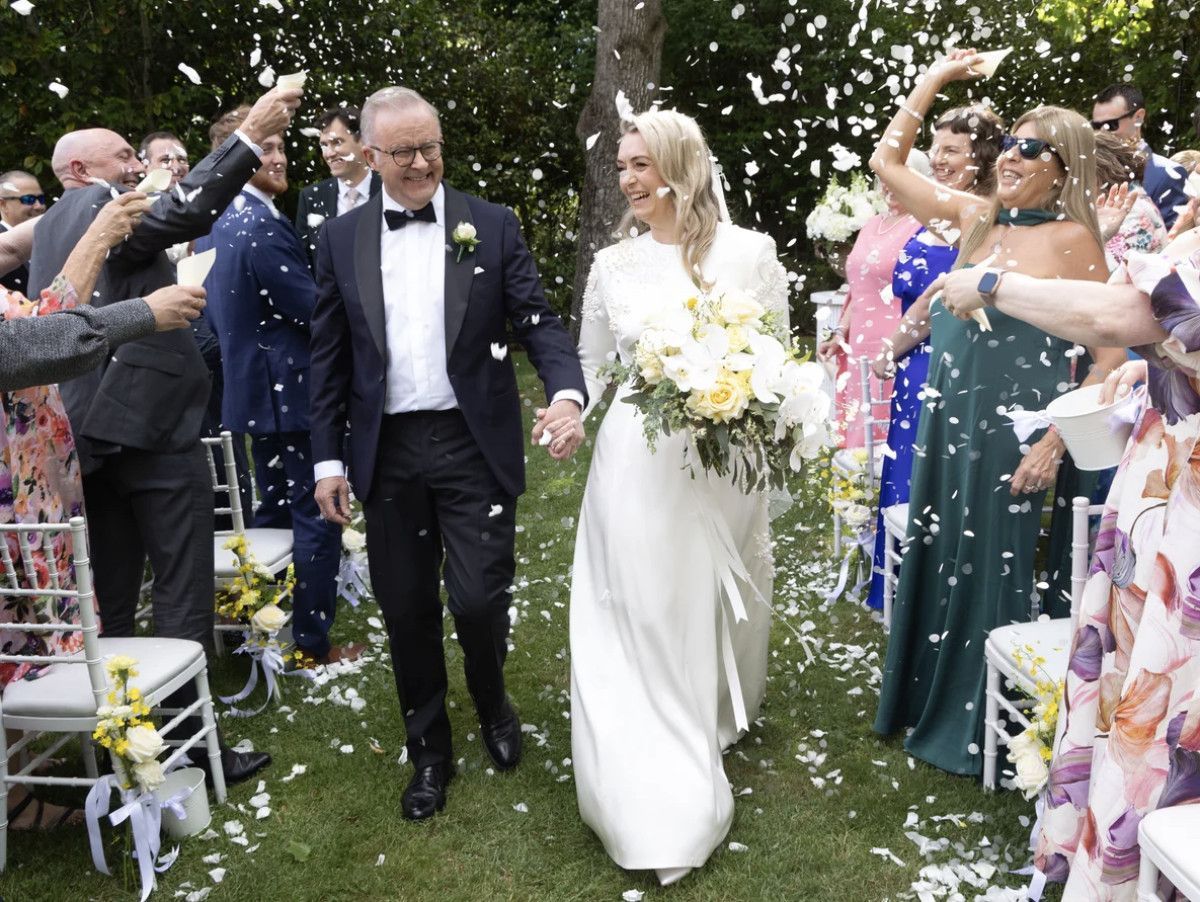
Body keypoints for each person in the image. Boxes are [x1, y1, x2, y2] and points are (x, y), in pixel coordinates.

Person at [309, 86, 586, 821]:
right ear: (370, 156)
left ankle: (492, 700)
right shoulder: (339, 240)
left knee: (478, 598)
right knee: (405, 608)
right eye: (404, 151)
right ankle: (430, 750)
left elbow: (539, 322)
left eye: (430, 146)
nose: (422, 162)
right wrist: (328, 461)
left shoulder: (489, 225)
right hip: (387, 450)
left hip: (472, 443)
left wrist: (566, 395)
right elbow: (327, 359)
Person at [26, 83, 301, 786]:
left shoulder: (50, 225)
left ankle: (123, 744)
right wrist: (252, 134)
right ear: (79, 170)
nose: (135, 165)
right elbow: (186, 209)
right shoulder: (95, 207)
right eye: (121, 155)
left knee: (114, 595)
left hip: (92, 430)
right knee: (182, 587)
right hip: (147, 427)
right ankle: (190, 745)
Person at [868, 49, 1127, 776]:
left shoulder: (1072, 241)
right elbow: (887, 164)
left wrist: (1053, 441)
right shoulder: (979, 219)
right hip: (945, 423)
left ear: (1064, 168)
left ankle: (982, 725)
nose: (1011, 155)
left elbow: (1109, 356)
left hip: (1011, 435)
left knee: (987, 565)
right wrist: (934, 80)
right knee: (938, 552)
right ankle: (920, 700)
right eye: (1010, 142)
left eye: (1031, 148)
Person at [933, 231, 1200, 900]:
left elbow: (1117, 318)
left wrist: (991, 284)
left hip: (1189, 524)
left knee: (1170, 703)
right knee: (1143, 692)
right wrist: (1160, 368)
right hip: (1165, 504)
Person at [570, 109, 785, 886]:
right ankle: (647, 774)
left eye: (641, 164)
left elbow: (776, 357)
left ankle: (710, 713)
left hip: (723, 461)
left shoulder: (751, 253)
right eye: (622, 166)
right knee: (639, 600)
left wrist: (747, 401)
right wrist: (569, 408)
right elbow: (593, 365)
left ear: (681, 167)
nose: (627, 179)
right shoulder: (612, 265)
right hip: (636, 455)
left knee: (707, 595)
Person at [2, 192, 203, 829]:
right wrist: (136, 304)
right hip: (14, 510)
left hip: (32, 501)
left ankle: (15, 797)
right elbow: (28, 347)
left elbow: (37, 321)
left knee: (18, 644)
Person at [197, 105, 350, 667]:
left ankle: (259, 625)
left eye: (282, 147)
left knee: (274, 511)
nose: (279, 158)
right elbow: (312, 310)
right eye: (265, 149)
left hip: (254, 391)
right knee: (317, 515)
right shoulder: (259, 224)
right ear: (235, 158)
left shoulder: (214, 223)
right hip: (291, 392)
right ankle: (311, 644)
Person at [864, 104, 1003, 612]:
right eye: (935, 148)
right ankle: (898, 589)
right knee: (905, 472)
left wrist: (890, 347)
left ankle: (931, 597)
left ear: (982, 156)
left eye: (952, 150)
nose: (938, 159)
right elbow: (888, 161)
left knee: (935, 481)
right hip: (914, 373)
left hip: (950, 366)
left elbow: (934, 303)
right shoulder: (935, 213)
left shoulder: (980, 217)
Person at [816, 164, 923, 448]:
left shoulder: (923, 227)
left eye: (897, 179)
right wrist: (839, 333)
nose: (888, 186)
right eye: (883, 179)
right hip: (859, 346)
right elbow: (859, 287)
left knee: (887, 436)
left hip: (896, 344)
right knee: (859, 435)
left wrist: (895, 347)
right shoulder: (872, 224)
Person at [1091, 83, 1188, 228]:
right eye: (1096, 126)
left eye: (1111, 125)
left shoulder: (1167, 173)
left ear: (1138, 118)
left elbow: (1172, 236)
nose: (1102, 132)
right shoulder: (1087, 170)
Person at [294, 105, 380, 265]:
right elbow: (304, 263)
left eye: (337, 142)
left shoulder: (389, 189)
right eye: (324, 145)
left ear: (363, 141)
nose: (329, 153)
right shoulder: (311, 197)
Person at [0, 170, 46, 295]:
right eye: (29, 199)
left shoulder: (50, 243)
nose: (39, 206)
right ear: (3, 205)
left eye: (41, 199)